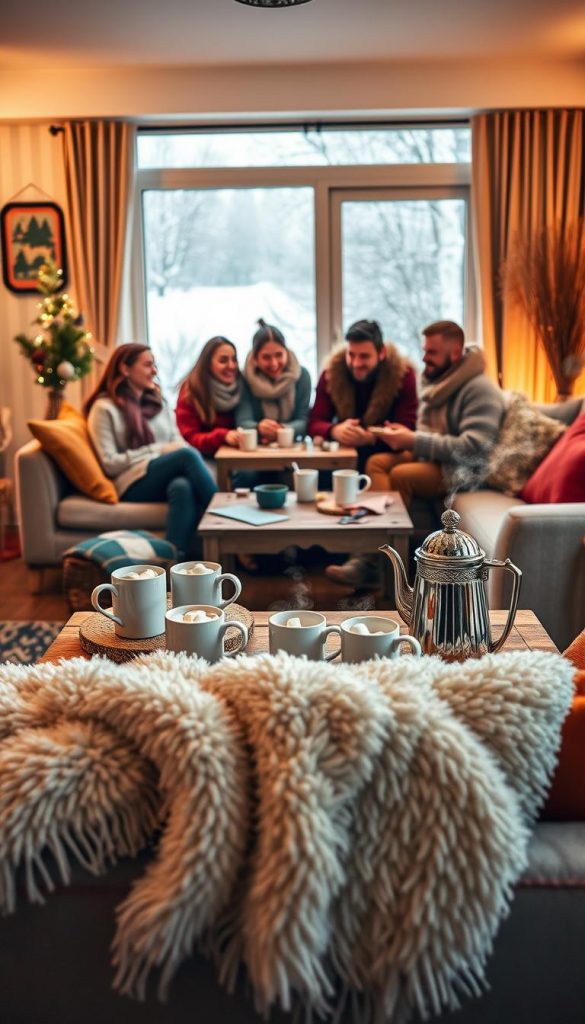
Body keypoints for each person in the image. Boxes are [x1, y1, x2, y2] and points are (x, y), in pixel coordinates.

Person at [326, 321, 505, 588]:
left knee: (401, 475)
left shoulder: (479, 389)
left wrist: (414, 440)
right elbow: (430, 430)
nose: (424, 358)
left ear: (455, 353)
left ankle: (376, 565)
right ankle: (371, 558)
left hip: (462, 469)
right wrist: (405, 435)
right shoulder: (442, 381)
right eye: (424, 350)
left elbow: (474, 447)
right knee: (376, 462)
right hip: (433, 459)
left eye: (431, 352)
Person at [85, 343, 217, 559]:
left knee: (182, 486)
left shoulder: (158, 403)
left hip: (162, 477)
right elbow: (109, 463)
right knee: (187, 455)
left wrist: (170, 450)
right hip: (131, 483)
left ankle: (172, 564)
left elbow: (177, 440)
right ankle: (228, 519)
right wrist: (159, 450)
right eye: (147, 365)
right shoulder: (104, 409)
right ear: (125, 369)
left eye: (154, 365)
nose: (154, 371)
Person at [307, 319, 418, 472]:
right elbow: (314, 422)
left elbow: (407, 429)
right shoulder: (331, 374)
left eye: (364, 356)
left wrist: (370, 438)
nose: (356, 363)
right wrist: (334, 430)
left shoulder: (403, 376)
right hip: (342, 456)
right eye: (351, 355)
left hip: (384, 453)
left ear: (382, 353)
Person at [237, 319, 311, 442]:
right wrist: (259, 427)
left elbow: (304, 421)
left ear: (286, 352)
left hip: (293, 448)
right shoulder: (244, 379)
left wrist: (283, 429)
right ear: (255, 358)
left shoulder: (302, 376)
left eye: (279, 355)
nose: (274, 363)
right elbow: (242, 421)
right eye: (266, 357)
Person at [176, 336, 244, 457]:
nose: (231, 366)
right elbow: (190, 438)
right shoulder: (191, 390)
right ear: (207, 364)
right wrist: (222, 436)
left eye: (234, 360)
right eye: (223, 361)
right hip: (205, 457)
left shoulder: (243, 385)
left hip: (238, 455)